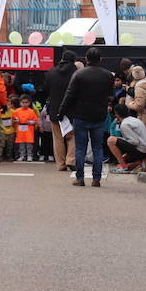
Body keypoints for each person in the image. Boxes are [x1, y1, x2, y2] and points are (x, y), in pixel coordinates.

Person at [56, 48, 111, 187]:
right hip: (99, 115)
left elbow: (69, 95)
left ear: (86, 59)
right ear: (101, 59)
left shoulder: (79, 74)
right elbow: (111, 96)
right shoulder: (108, 75)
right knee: (98, 148)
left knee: (80, 148)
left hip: (80, 115)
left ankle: (80, 178)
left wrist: (61, 112)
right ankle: (96, 179)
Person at [44, 50, 78, 171]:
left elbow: (46, 90)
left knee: (57, 137)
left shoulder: (51, 72)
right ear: (73, 60)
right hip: (71, 109)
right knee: (73, 136)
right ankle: (71, 160)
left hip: (54, 109)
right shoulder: (76, 72)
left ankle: (61, 164)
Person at [107, 103, 146, 173]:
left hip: (141, 151)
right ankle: (140, 162)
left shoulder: (124, 124)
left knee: (111, 140)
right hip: (145, 151)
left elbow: (134, 142)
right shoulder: (134, 119)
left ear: (117, 114)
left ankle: (124, 167)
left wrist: (119, 139)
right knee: (123, 158)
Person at [12, 95, 38, 161]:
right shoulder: (17, 111)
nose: (24, 104)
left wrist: (31, 122)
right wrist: (16, 121)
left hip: (28, 129)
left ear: (29, 103)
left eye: (26, 102)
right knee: (21, 144)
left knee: (29, 144)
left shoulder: (31, 111)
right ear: (20, 103)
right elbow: (13, 119)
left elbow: (35, 120)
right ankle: (22, 155)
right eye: (23, 102)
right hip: (20, 129)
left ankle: (29, 155)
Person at [0, 96, 19, 161]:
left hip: (11, 131)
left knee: (10, 145)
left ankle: (9, 156)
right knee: (1, 145)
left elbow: (16, 119)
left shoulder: (14, 112)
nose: (7, 106)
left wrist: (15, 121)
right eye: (6, 105)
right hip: (2, 131)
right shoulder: (0, 112)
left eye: (9, 105)